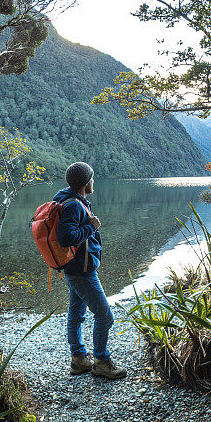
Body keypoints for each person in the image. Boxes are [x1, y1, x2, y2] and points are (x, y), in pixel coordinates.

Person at [53, 162, 127, 380]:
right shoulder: (75, 205)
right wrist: (91, 227)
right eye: (92, 178)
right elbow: (66, 238)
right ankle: (102, 362)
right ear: (86, 183)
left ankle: (78, 360)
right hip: (81, 271)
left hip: (74, 268)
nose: (93, 181)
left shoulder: (66, 198)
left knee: (76, 313)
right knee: (105, 316)